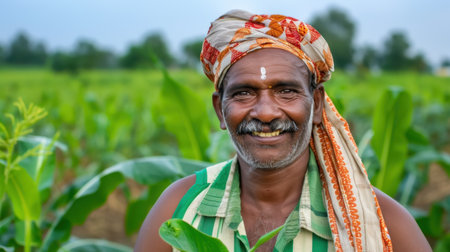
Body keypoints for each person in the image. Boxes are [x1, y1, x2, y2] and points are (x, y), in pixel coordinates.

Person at [135, 10, 431, 252]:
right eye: (243, 93)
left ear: (316, 104)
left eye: (286, 91)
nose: (265, 112)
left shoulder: (381, 224)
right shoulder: (180, 209)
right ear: (219, 110)